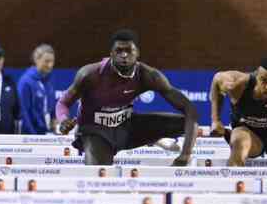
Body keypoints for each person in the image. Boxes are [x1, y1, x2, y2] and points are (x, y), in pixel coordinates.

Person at [56, 29, 198, 166]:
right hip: (95, 131)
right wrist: (63, 120)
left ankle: (153, 138)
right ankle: (153, 140)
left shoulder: (149, 76)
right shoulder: (89, 74)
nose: (124, 55)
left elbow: (190, 109)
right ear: (111, 53)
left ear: (137, 53)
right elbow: (63, 102)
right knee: (99, 173)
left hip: (126, 127)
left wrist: (185, 155)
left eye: (129, 50)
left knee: (185, 122)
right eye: (119, 51)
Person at [18, 44, 56, 134]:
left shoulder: (48, 82)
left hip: (47, 133)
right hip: (31, 135)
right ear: (36, 60)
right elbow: (24, 112)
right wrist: (33, 136)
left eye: (52, 61)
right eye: (46, 61)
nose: (50, 65)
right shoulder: (26, 82)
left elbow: (52, 109)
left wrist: (54, 124)